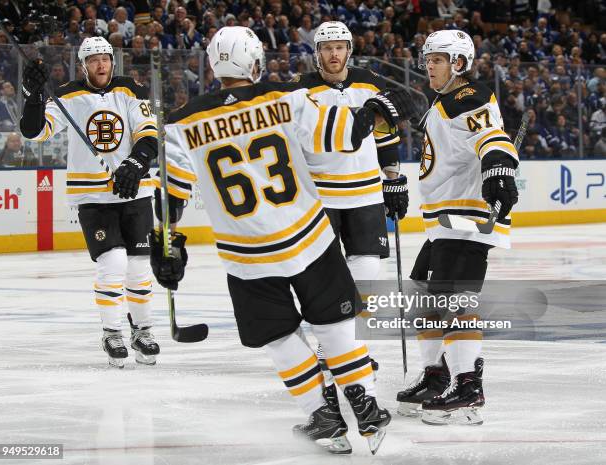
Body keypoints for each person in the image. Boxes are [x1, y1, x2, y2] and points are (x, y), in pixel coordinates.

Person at [152, 26, 418, 454]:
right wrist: (378, 110)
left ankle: (322, 416)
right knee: (334, 326)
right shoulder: (286, 98)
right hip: (309, 238)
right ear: (255, 62)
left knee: (278, 336)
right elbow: (345, 137)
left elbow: (170, 198)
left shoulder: (182, 123)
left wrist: (167, 244)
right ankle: (365, 409)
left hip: (247, 255)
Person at [395, 29, 519, 425]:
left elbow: (492, 137)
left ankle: (467, 385)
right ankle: (436, 376)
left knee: (454, 304)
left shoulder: (470, 98)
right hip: (443, 221)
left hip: (466, 218)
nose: (429, 65)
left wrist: (499, 169)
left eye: (438, 59)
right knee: (424, 300)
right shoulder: (444, 102)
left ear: (459, 63)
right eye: (428, 58)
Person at [18, 37, 160, 369]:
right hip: (93, 197)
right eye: (94, 60)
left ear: (114, 62)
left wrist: (135, 164)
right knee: (112, 266)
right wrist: (33, 96)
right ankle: (112, 333)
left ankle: (143, 331)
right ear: (83, 65)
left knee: (139, 270)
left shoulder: (130, 90)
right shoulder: (68, 95)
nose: (101, 65)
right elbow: (33, 131)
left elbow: (148, 134)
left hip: (134, 192)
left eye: (106, 59)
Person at [296, 21, 410, 376]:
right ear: (317, 53)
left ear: (349, 50)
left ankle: (349, 346)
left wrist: (393, 179)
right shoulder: (300, 90)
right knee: (323, 276)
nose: (334, 54)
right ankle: (329, 347)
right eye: (327, 48)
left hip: (364, 193)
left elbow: (386, 133)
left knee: (366, 274)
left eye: (340, 47)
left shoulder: (370, 82)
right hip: (320, 195)